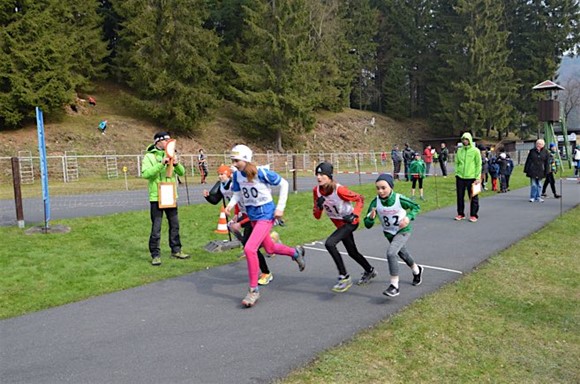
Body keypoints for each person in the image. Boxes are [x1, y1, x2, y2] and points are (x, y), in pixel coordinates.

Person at [225, 144, 305, 308]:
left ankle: (253, 290)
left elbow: (284, 184)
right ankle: (295, 252)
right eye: (232, 160)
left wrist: (280, 208)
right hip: (253, 216)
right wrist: (231, 205)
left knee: (249, 248)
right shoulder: (237, 176)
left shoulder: (260, 172)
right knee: (269, 248)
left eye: (236, 160)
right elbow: (238, 193)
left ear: (246, 159)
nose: (234, 163)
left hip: (266, 214)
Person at [204, 165, 275, 285]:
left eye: (222, 174)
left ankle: (266, 272)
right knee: (243, 238)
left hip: (251, 214)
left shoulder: (235, 184)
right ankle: (269, 242)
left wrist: (238, 215)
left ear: (229, 174)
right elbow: (215, 200)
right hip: (243, 213)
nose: (220, 176)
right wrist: (208, 197)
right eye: (219, 174)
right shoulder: (222, 186)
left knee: (250, 246)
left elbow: (242, 198)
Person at [312, 162, 377, 293]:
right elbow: (317, 216)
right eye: (317, 174)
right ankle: (369, 270)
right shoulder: (316, 191)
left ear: (329, 176)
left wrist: (355, 214)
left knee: (330, 244)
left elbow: (360, 199)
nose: (319, 177)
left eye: (322, 174)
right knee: (352, 252)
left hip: (350, 222)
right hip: (340, 224)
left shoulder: (339, 189)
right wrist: (318, 207)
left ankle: (344, 277)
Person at [363, 173, 423, 297]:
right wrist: (371, 219)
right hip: (389, 234)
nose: (380, 191)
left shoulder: (399, 199)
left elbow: (416, 207)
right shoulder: (375, 203)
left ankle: (394, 286)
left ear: (391, 187)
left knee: (391, 253)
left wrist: (408, 217)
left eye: (383, 188)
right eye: (378, 188)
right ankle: (417, 270)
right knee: (403, 254)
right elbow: (367, 224)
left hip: (403, 231)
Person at [141, 132, 189, 266]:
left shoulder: (172, 154)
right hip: (156, 197)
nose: (169, 143)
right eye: (166, 140)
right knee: (156, 228)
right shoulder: (149, 156)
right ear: (158, 142)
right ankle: (155, 254)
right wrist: (161, 164)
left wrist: (176, 164)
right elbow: (146, 174)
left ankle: (176, 250)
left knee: (175, 225)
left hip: (170, 195)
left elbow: (182, 173)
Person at [454, 132, 482, 222]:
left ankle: (474, 215)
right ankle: (460, 214)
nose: (465, 141)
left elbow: (478, 164)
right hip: (460, 177)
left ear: (470, 140)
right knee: (460, 196)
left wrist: (478, 177)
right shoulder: (459, 151)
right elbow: (457, 163)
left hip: (472, 177)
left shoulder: (475, 151)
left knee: (474, 197)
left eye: (466, 139)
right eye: (463, 139)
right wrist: (457, 173)